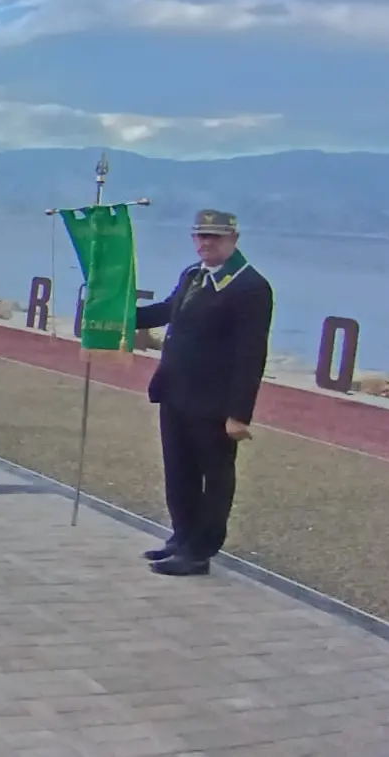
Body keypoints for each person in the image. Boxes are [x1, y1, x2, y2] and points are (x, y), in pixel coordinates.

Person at [133, 209, 273, 577]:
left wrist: (239, 413)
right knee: (179, 471)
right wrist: (120, 317)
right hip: (176, 391)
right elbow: (168, 310)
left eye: (214, 237)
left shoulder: (249, 286)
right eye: (199, 236)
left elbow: (251, 354)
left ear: (233, 240)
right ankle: (182, 537)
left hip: (213, 402)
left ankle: (200, 551)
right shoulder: (194, 275)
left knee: (215, 476)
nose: (205, 243)